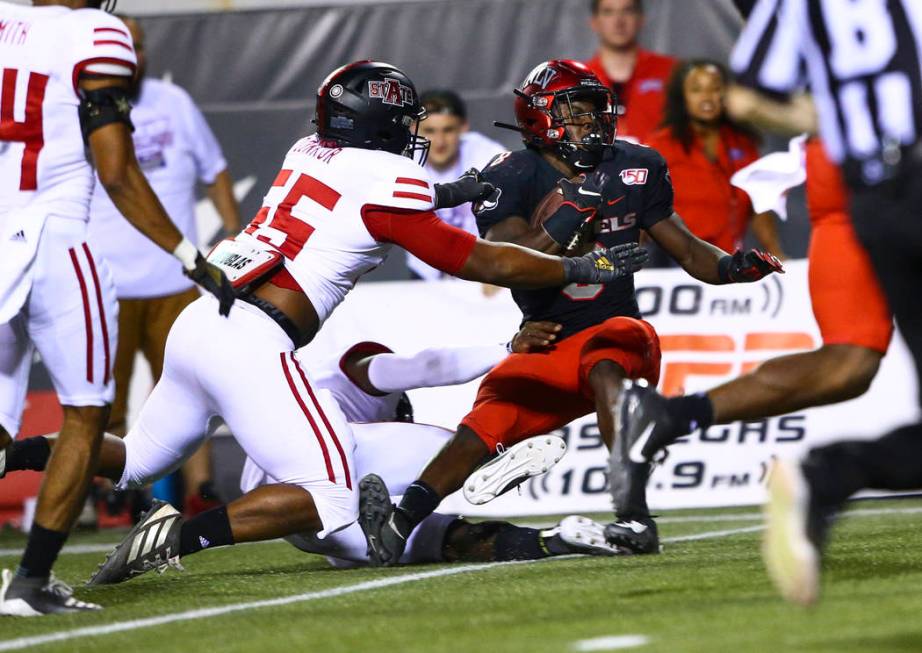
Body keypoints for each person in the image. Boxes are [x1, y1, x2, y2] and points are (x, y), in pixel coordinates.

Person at [23, 60, 644, 589]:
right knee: (329, 497)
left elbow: (374, 201)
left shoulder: (310, 152)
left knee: (132, 460)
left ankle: (14, 455)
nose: (413, 136)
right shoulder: (389, 179)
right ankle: (175, 539)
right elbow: (473, 259)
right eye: (405, 125)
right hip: (251, 341)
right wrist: (578, 266)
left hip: (200, 323)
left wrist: (458, 190)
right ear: (381, 128)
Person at [356, 59, 784, 567]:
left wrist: (732, 267)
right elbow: (508, 263)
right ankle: (399, 524)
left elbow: (689, 250)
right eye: (576, 114)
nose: (592, 124)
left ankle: (633, 517)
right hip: (549, 336)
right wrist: (571, 211)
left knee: (608, 357)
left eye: (596, 112)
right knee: (487, 417)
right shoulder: (511, 174)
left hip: (615, 328)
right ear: (540, 119)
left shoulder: (635, 165)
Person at [0, 331, 619, 574]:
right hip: (321, 458)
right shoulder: (345, 372)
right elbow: (423, 366)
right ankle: (487, 462)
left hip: (292, 506)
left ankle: (554, 539)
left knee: (408, 544)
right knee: (444, 454)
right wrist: (506, 346)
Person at [671, 0, 919, 606]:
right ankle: (830, 473)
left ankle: (830, 475)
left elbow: (748, 97)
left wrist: (838, 118)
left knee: (852, 358)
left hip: (871, 199)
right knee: (851, 358)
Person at [0, 0, 234, 616]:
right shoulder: (97, 32)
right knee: (86, 412)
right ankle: (31, 583)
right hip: (56, 233)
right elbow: (117, 170)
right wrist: (190, 255)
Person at [88, 15, 241, 517]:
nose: (134, 54)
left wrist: (235, 232)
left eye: (139, 45)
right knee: (99, 400)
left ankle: (201, 493)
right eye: (123, 45)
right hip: (103, 280)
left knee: (188, 393)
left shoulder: (174, 102)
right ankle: (111, 495)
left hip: (174, 278)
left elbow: (216, 169)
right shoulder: (77, 106)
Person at [646, 59, 784, 258]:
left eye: (715, 88)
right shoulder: (660, 145)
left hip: (728, 261)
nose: (707, 97)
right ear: (682, 97)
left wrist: (774, 252)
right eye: (696, 90)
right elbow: (642, 208)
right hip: (676, 263)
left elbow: (757, 203)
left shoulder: (742, 143)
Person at [407, 90, 506, 280]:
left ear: (463, 128)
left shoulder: (487, 155)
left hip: (482, 266)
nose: (439, 142)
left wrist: (497, 265)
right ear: (413, 129)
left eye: (448, 130)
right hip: (424, 270)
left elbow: (510, 210)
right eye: (429, 131)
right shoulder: (402, 160)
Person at [583, 0, 676, 144]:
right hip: (599, 166)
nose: (618, 21)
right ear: (594, 22)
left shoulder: (671, 71)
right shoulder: (578, 78)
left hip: (662, 164)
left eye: (627, 11)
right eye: (608, 12)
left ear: (641, 19)